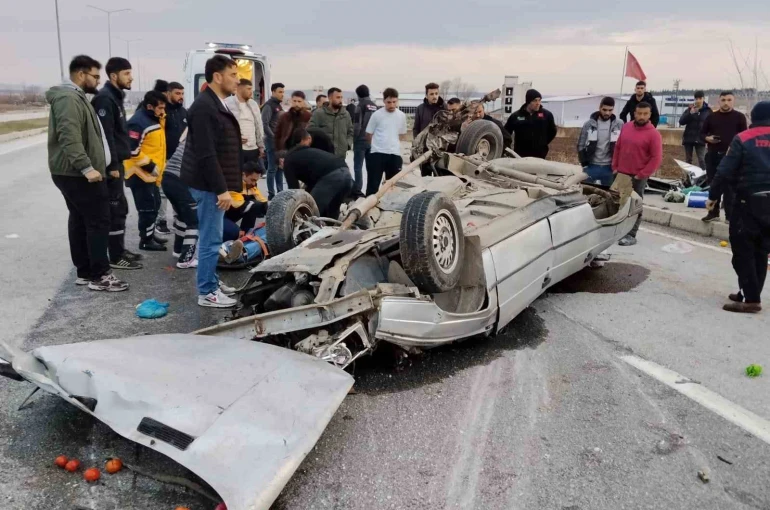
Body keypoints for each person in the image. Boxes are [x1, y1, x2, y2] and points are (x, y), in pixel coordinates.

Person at [47, 55, 128, 292]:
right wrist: (87, 167)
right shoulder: (68, 99)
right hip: (77, 174)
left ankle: (84, 272)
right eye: (94, 76)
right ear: (81, 75)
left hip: (75, 173)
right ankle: (100, 275)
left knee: (81, 220)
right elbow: (68, 136)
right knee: (99, 220)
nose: (97, 80)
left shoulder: (76, 97)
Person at [181, 55, 242, 307]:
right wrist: (221, 189)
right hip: (208, 186)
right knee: (210, 240)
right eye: (233, 75)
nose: (237, 81)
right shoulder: (204, 107)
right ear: (218, 77)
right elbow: (207, 154)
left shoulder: (216, 102)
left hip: (212, 184)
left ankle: (212, 281)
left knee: (212, 238)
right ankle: (207, 292)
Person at [707, 101, 770, 313]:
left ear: (752, 118)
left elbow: (724, 171)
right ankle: (748, 291)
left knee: (743, 252)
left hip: (748, 203)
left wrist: (713, 196)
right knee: (761, 251)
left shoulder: (743, 138)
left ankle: (752, 300)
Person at [91, 56, 143, 270]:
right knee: (115, 209)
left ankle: (119, 250)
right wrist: (111, 166)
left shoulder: (115, 97)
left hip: (118, 162)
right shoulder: (105, 99)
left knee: (120, 208)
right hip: (111, 166)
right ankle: (115, 256)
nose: (131, 77)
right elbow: (106, 136)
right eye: (127, 73)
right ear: (114, 76)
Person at [612, 102, 663, 246]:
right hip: (621, 173)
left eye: (645, 114)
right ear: (634, 113)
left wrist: (642, 174)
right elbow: (618, 147)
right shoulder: (627, 127)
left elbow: (656, 158)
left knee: (635, 206)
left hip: (638, 176)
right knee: (618, 204)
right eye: (639, 113)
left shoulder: (654, 134)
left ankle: (631, 234)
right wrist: (615, 167)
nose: (642, 116)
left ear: (649, 115)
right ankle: (617, 231)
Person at [124, 91, 168, 251]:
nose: (163, 111)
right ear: (149, 106)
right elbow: (131, 150)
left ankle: (150, 234)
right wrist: (150, 166)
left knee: (154, 205)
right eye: (160, 108)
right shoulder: (138, 122)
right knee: (147, 209)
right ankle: (146, 240)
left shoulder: (155, 119)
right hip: (139, 174)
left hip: (152, 175)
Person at [700, 91, 748, 223]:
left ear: (733, 101)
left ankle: (729, 215)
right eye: (723, 100)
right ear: (719, 101)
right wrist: (707, 138)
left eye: (729, 100)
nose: (726, 103)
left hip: (731, 158)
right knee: (713, 184)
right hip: (713, 155)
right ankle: (713, 213)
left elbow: (745, 137)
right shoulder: (711, 117)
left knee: (730, 187)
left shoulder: (739, 117)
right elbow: (702, 134)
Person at [283, 129, 354, 219]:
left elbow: (294, 191)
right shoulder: (306, 152)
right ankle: (332, 229)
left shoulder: (288, 161)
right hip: (346, 173)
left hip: (332, 176)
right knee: (332, 210)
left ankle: (307, 231)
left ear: (281, 161)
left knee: (310, 211)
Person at [161, 128, 199, 269]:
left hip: (168, 178)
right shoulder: (203, 142)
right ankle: (186, 259)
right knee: (194, 220)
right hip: (179, 180)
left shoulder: (189, 138)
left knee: (182, 218)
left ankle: (178, 250)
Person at [157, 81, 188, 235]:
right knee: (163, 192)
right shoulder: (162, 112)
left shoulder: (184, 113)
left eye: (182, 93)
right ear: (168, 93)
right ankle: (161, 221)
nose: (180, 97)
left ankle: (179, 218)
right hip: (165, 158)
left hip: (182, 159)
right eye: (177, 93)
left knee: (180, 191)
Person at [365, 88, 407, 196]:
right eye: (389, 102)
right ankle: (368, 210)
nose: (392, 105)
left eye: (394, 102)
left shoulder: (401, 116)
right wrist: (375, 147)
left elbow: (402, 135)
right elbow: (368, 134)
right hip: (377, 154)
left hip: (394, 155)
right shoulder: (377, 115)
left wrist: (394, 145)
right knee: (372, 187)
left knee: (392, 188)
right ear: (384, 101)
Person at [577, 97, 624, 186]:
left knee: (608, 195)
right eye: (604, 110)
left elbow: (623, 145)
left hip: (610, 167)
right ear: (599, 108)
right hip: (591, 166)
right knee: (586, 192)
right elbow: (581, 145)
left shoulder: (619, 124)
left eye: (610, 110)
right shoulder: (589, 124)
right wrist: (584, 164)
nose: (607, 113)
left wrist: (618, 165)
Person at [504, 89, 557, 159]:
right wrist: (508, 149)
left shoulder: (547, 115)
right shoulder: (516, 116)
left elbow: (552, 131)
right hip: (520, 156)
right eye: (535, 100)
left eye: (539, 100)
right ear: (528, 102)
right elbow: (506, 133)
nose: (538, 103)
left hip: (540, 156)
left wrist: (542, 143)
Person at [225, 79, 266, 171]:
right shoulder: (227, 103)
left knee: (251, 179)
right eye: (248, 89)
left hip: (253, 149)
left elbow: (259, 126)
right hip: (236, 149)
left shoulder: (253, 104)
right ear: (239, 89)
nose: (251, 92)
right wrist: (234, 137)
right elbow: (223, 126)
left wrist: (261, 146)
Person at [225, 160, 268, 235]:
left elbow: (263, 202)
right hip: (220, 217)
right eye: (252, 180)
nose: (254, 183)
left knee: (256, 205)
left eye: (256, 181)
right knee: (235, 233)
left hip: (232, 214)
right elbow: (239, 205)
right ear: (243, 175)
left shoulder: (251, 185)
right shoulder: (233, 184)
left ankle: (246, 232)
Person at [309, 87, 353, 159]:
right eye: (338, 97)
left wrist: (347, 144)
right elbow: (311, 131)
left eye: (341, 97)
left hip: (340, 156)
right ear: (330, 98)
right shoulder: (319, 113)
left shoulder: (345, 114)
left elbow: (350, 132)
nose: (340, 100)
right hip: (323, 155)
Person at [352, 84, 378, 197]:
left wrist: (354, 138)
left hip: (361, 140)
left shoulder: (360, 106)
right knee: (370, 168)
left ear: (358, 95)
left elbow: (357, 125)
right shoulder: (374, 106)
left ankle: (358, 191)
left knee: (358, 167)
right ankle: (371, 192)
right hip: (372, 140)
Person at [261, 82, 285, 199]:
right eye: (280, 92)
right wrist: (274, 138)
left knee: (280, 168)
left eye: (283, 92)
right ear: (273, 92)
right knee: (272, 169)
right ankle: (271, 194)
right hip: (271, 142)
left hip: (279, 142)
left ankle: (280, 192)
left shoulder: (279, 106)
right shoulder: (268, 106)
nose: (282, 94)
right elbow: (265, 125)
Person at [678, 90, 709, 170]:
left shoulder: (708, 111)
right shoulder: (689, 109)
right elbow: (681, 121)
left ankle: (704, 178)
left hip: (701, 139)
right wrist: (690, 114)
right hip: (689, 138)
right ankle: (688, 179)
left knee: (702, 160)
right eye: (696, 98)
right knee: (688, 160)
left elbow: (712, 125)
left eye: (700, 98)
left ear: (703, 98)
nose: (698, 100)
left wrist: (708, 137)